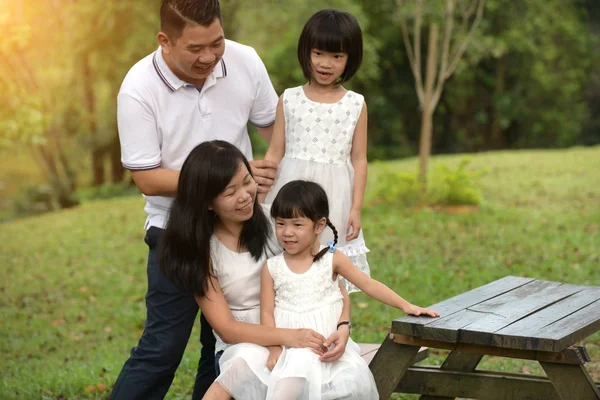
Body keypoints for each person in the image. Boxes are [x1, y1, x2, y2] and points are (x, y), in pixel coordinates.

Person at [111, 0, 280, 398]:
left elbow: (274, 128)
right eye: (195, 49)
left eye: (216, 43)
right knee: (162, 348)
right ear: (165, 41)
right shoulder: (138, 89)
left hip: (239, 226)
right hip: (176, 231)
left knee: (225, 350)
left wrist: (272, 167)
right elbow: (147, 178)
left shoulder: (245, 61)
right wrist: (223, 180)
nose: (209, 57)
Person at [204, 180, 440, 400]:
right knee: (249, 371)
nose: (287, 232)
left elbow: (368, 284)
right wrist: (274, 348)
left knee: (291, 384)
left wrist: (406, 305)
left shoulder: (332, 259)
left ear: (319, 226)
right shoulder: (272, 267)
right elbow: (267, 313)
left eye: (297, 225)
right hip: (288, 348)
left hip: (322, 348)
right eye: (280, 224)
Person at [158, 142, 352, 395]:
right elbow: (226, 328)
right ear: (207, 203)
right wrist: (288, 337)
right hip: (246, 342)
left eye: (247, 181)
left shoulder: (280, 223)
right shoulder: (201, 250)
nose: (245, 195)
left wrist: (343, 325)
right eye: (230, 192)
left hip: (303, 328)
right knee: (243, 363)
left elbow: (330, 279)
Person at [260, 9, 371, 293]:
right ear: (306, 52)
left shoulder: (355, 104)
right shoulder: (290, 99)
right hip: (289, 191)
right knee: (285, 262)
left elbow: (359, 159)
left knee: (328, 269)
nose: (326, 64)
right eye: (319, 53)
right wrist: (261, 199)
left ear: (350, 59)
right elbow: (274, 154)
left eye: (337, 56)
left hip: (334, 197)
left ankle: (333, 324)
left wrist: (356, 208)